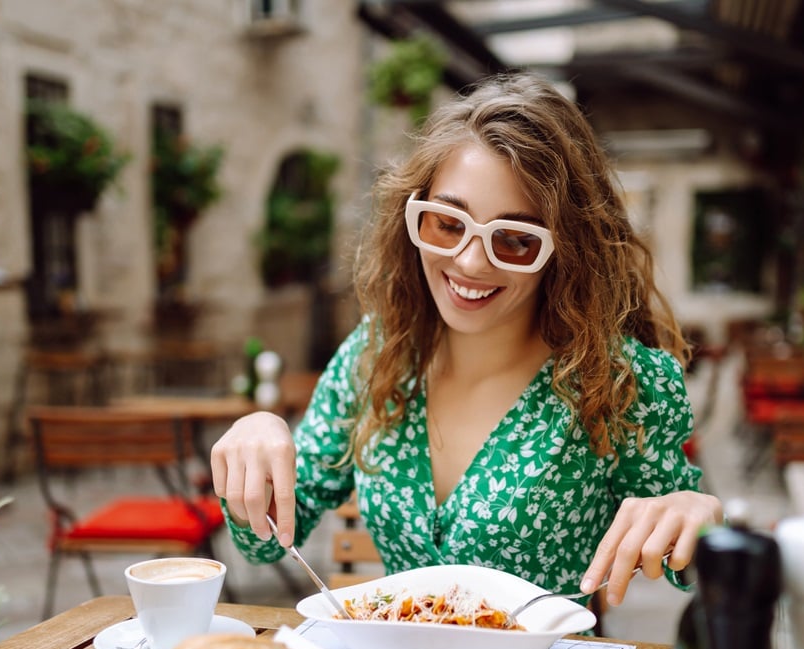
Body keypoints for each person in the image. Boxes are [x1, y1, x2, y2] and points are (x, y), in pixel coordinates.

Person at [211, 71, 722, 608]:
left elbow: (688, 563)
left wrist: (700, 518)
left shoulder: (619, 383)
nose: (470, 262)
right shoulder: (376, 355)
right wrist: (257, 435)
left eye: (516, 240)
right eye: (447, 224)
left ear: (567, 251)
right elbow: (264, 542)